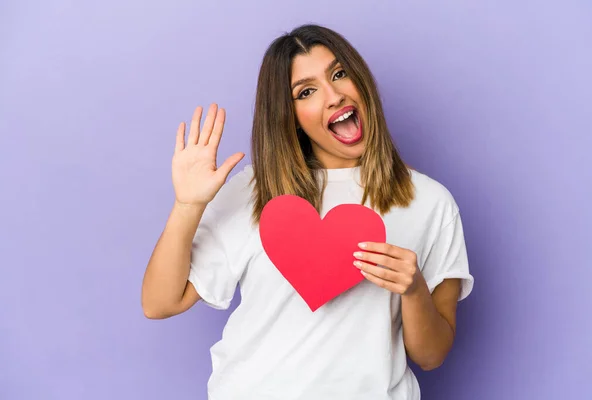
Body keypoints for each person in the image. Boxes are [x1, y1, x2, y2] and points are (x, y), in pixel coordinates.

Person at [141, 24, 474, 400]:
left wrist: (414, 291)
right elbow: (159, 303)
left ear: (361, 82)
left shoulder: (430, 202)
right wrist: (188, 205)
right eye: (307, 91)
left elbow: (431, 356)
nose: (333, 96)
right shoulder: (254, 192)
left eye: (339, 73)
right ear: (289, 114)